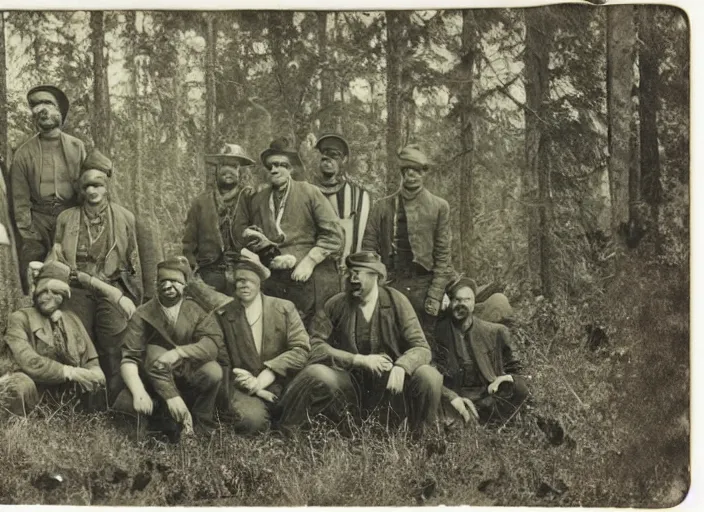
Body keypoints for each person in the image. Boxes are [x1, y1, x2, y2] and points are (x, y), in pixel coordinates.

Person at [278, 251, 443, 431]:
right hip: (351, 387)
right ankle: (289, 428)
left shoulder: (397, 301)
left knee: (428, 375)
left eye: (359, 273)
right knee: (316, 372)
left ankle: (422, 436)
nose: (352, 278)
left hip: (392, 387)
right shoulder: (336, 304)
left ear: (376, 276)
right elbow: (315, 346)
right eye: (350, 273)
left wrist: (402, 366)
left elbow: (421, 348)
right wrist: (359, 360)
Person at [47, 149, 157, 401]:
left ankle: (117, 399)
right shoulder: (67, 218)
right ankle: (84, 401)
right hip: (76, 288)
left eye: (98, 185)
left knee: (113, 340)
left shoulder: (125, 218)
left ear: (107, 186)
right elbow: (57, 255)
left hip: (112, 286)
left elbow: (134, 260)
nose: (93, 191)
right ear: (81, 190)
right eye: (87, 186)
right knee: (77, 339)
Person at [232, 137, 343, 328]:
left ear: (291, 169)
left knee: (313, 326)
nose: (274, 170)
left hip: (308, 274)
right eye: (270, 166)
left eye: (281, 165)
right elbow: (247, 236)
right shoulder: (259, 199)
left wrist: (309, 261)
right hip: (274, 274)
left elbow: (334, 235)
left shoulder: (309, 192)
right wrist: (258, 241)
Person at [115, 256, 225, 438]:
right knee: (154, 352)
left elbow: (212, 345)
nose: (168, 286)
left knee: (213, 371)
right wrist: (138, 391)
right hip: (152, 382)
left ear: (184, 285)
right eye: (163, 281)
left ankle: (202, 425)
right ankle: (165, 417)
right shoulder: (143, 313)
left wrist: (178, 352)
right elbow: (129, 357)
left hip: (188, 378)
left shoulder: (196, 310)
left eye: (174, 281)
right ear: (156, 284)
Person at [362, 144, 453, 334]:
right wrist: (376, 285)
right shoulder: (382, 207)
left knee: (426, 340)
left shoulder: (439, 207)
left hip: (424, 285)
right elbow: (368, 249)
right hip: (391, 284)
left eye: (416, 170)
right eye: (407, 170)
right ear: (402, 172)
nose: (411, 175)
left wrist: (436, 294)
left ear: (423, 173)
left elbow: (443, 255)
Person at [216, 249, 309, 434]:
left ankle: (286, 424)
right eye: (240, 280)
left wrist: (264, 377)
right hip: (243, 386)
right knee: (250, 423)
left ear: (260, 283)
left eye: (250, 280)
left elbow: (301, 349)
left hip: (283, 382)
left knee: (301, 421)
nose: (245, 285)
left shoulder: (284, 308)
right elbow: (222, 359)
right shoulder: (223, 316)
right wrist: (254, 388)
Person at [0, 261, 106, 416]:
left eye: (57, 293)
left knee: (96, 382)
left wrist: (95, 372)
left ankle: (86, 424)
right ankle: (23, 428)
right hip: (36, 391)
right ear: (36, 290)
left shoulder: (72, 319)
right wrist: (69, 372)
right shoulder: (20, 319)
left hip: (66, 395)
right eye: (45, 291)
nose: (49, 297)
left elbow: (91, 360)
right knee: (19, 385)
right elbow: (28, 360)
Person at [10, 85, 86, 294]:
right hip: (39, 219)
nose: (41, 110)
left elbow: (86, 184)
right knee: (33, 265)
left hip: (70, 216)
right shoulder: (23, 154)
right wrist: (29, 232)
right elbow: (20, 200)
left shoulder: (77, 147)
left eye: (48, 104)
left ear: (59, 111)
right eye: (35, 105)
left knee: (74, 267)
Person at [432, 277, 528, 426]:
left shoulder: (495, 332)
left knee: (519, 388)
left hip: (487, 399)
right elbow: (432, 373)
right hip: (456, 401)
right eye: (457, 300)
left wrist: (505, 378)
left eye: (467, 300)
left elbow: (519, 371)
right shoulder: (438, 334)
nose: (461, 305)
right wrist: (452, 397)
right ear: (450, 303)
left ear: (474, 303)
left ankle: (489, 424)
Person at [182, 143, 256, 294]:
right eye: (223, 165)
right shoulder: (201, 203)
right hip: (209, 273)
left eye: (234, 166)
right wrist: (193, 274)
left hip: (244, 271)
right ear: (216, 170)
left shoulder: (250, 199)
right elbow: (188, 245)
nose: (228, 171)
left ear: (240, 171)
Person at [312, 133, 372, 301]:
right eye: (323, 156)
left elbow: (366, 238)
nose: (327, 160)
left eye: (334, 155)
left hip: (349, 273)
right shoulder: (307, 192)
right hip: (316, 274)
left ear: (344, 160)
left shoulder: (359, 196)